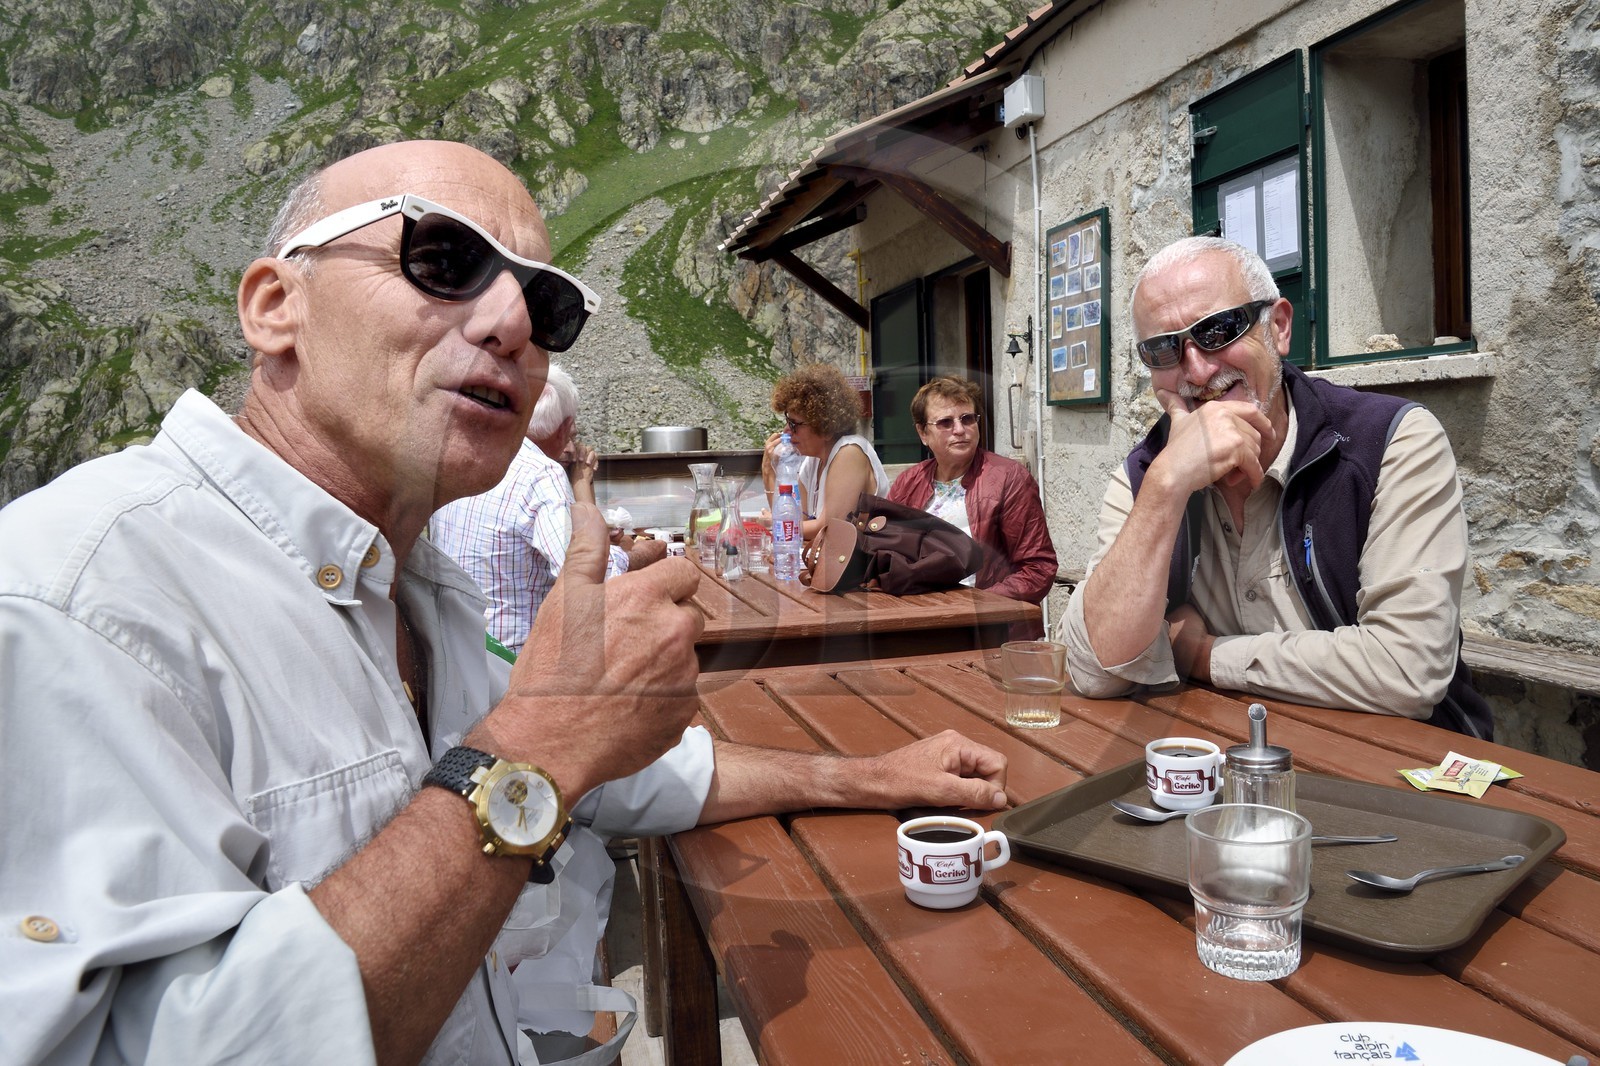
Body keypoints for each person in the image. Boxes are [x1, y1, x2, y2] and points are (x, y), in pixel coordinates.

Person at [0, 140, 1012, 1066]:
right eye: (442, 259)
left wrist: (873, 771)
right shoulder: (74, 599)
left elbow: (621, 780)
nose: (514, 324)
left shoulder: (416, 577)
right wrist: (536, 745)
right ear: (274, 306)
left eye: (549, 305)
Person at [1060, 235, 1492, 738]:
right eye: (1164, 348)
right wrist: (1168, 484)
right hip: (1225, 763)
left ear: (1279, 328)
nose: (1197, 369)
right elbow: (1092, 669)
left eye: (1219, 330)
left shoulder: (1391, 441)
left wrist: (1200, 653)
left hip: (1400, 769)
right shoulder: (1147, 476)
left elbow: (1406, 669)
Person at [431, 362, 665, 655]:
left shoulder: (468, 455)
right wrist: (643, 553)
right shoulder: (541, 473)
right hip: (514, 663)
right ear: (564, 428)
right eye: (574, 433)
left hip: (458, 647)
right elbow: (597, 578)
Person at [886, 375, 1058, 610]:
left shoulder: (1008, 478)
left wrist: (975, 605)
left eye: (967, 419)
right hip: (917, 613)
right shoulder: (908, 482)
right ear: (923, 433)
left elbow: (1038, 568)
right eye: (945, 422)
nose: (959, 430)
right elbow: (888, 554)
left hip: (986, 623)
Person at [761, 362, 889, 540]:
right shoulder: (812, 461)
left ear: (826, 427)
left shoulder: (850, 452)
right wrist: (768, 470)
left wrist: (778, 525)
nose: (786, 431)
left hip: (865, 563)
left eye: (794, 424)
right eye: (787, 421)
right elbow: (796, 520)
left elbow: (829, 527)